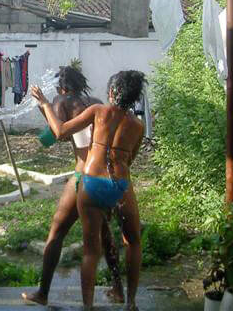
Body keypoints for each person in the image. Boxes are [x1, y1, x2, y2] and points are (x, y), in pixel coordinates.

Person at [31, 70, 145, 310]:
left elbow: (55, 134)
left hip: (86, 176)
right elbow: (129, 158)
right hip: (120, 183)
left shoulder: (64, 102)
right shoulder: (98, 104)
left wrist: (44, 106)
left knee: (65, 234)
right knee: (124, 239)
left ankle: (47, 293)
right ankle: (124, 295)